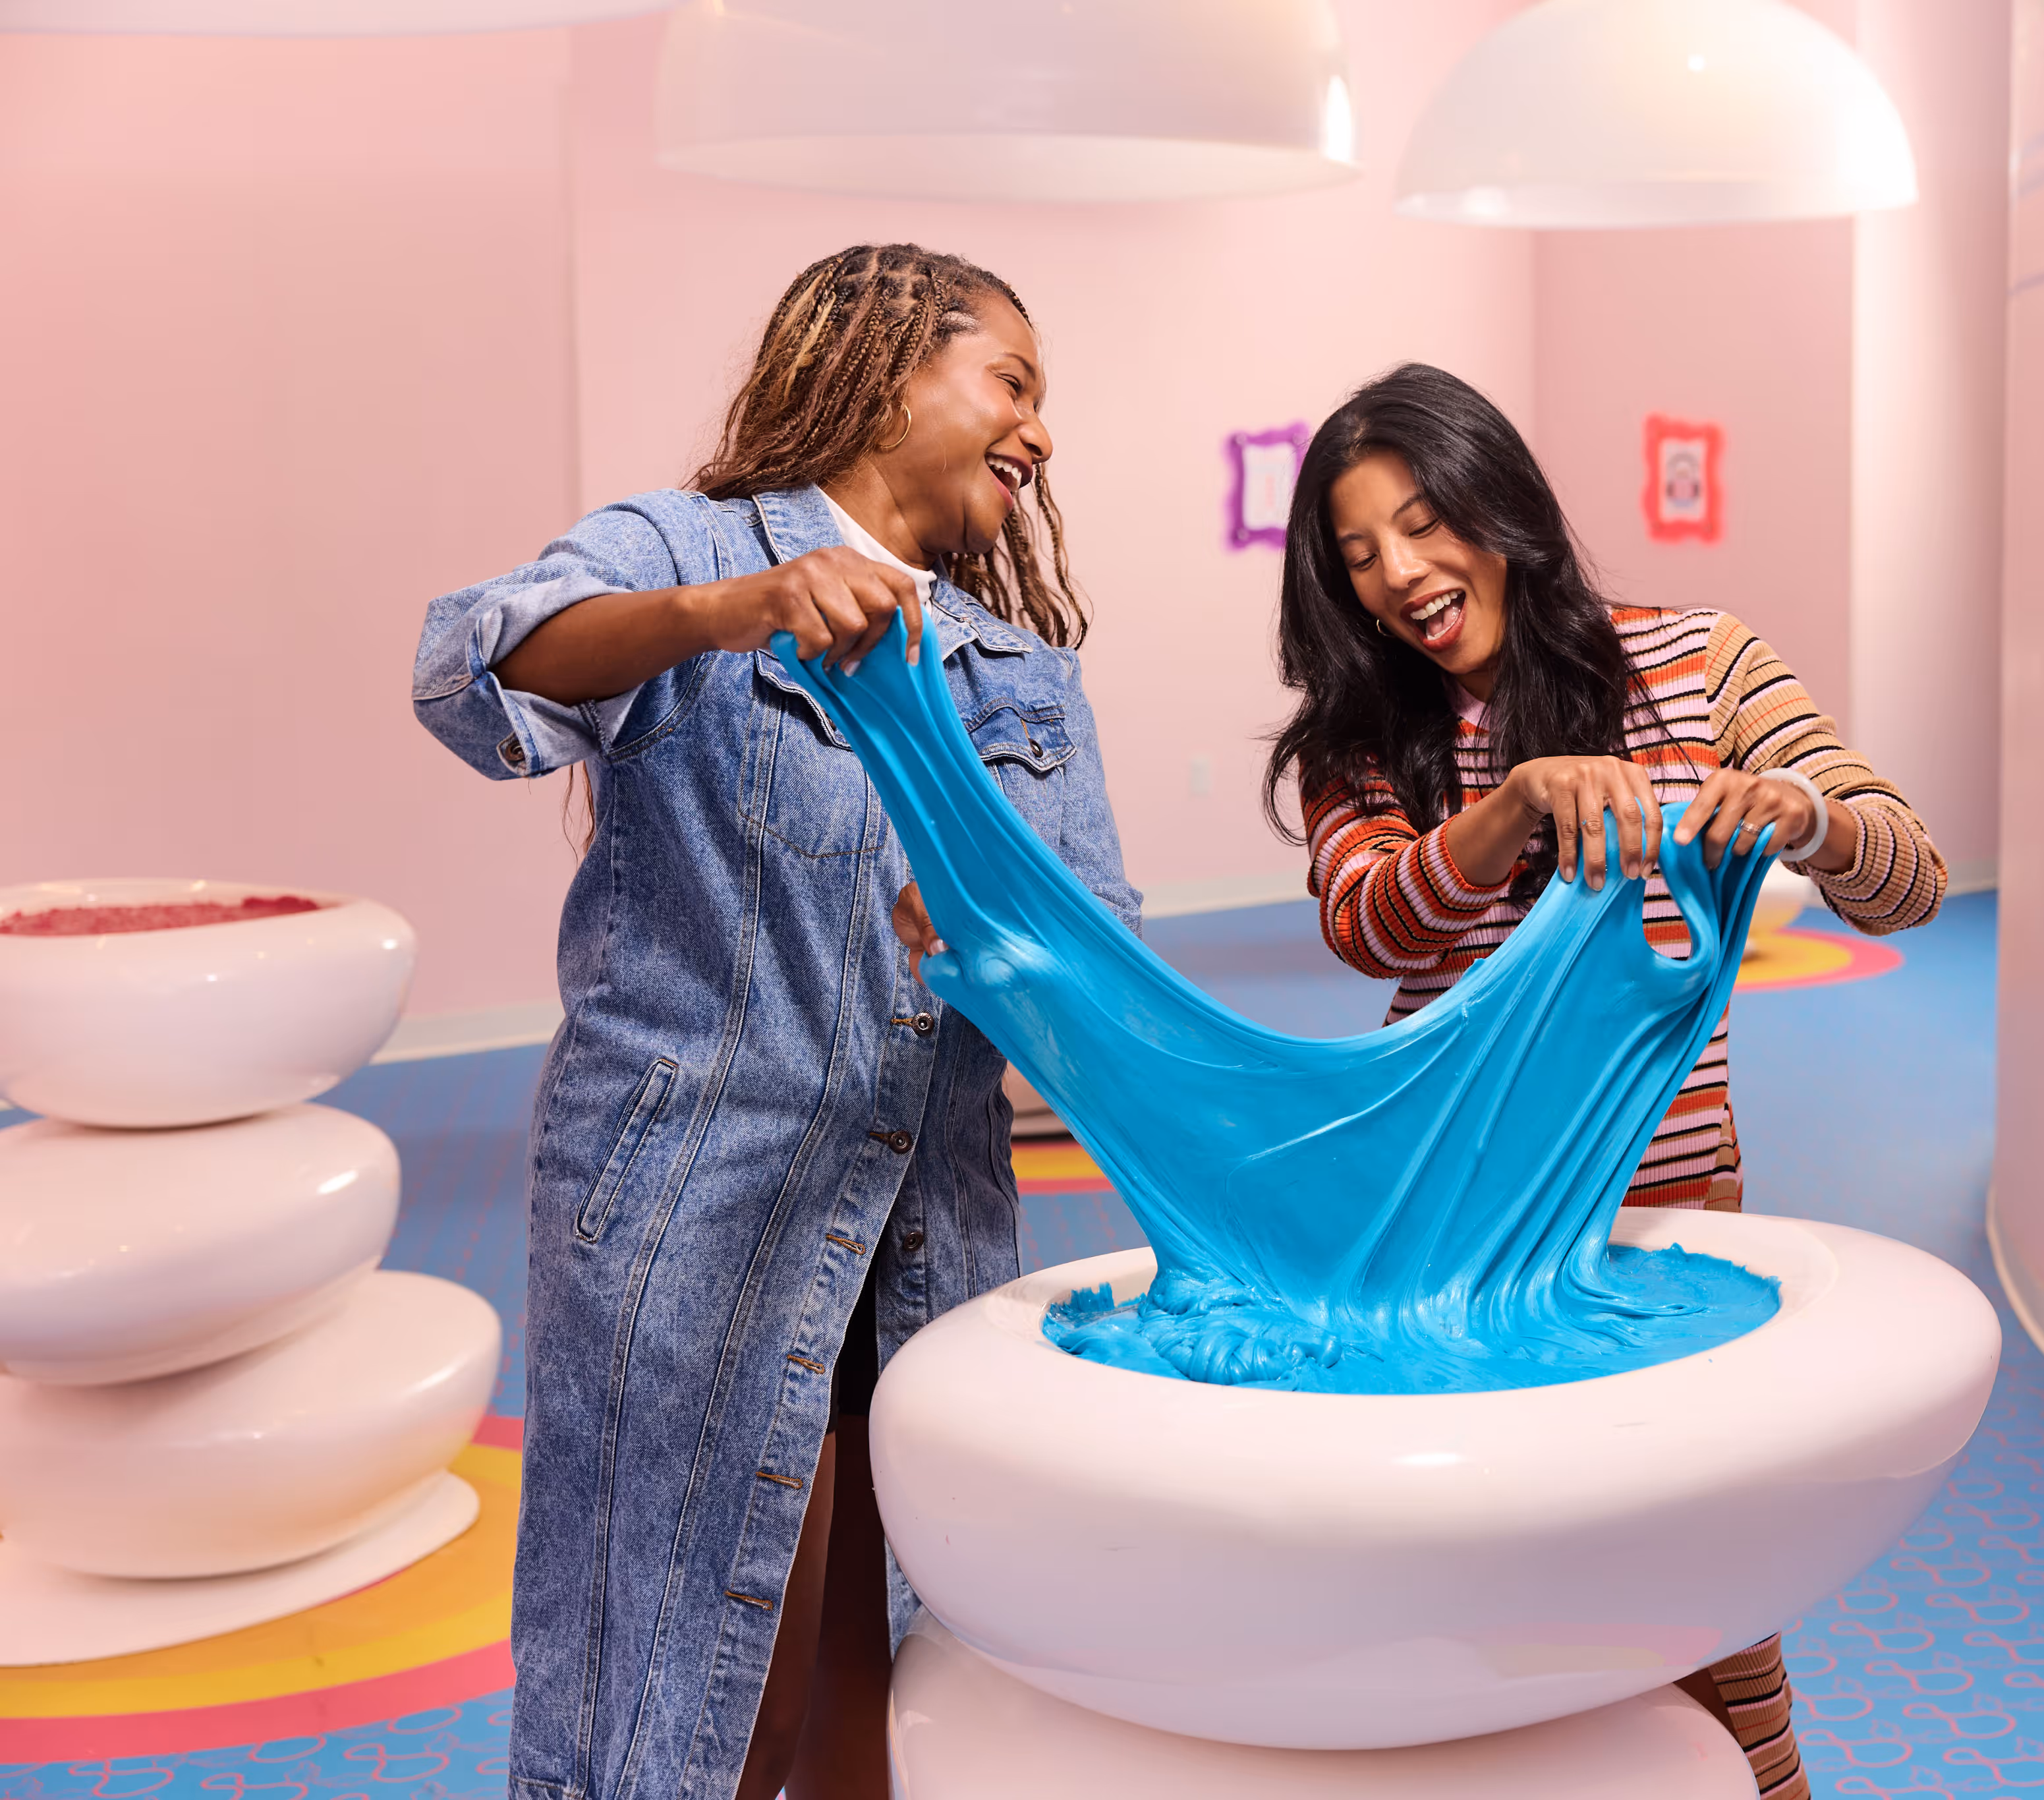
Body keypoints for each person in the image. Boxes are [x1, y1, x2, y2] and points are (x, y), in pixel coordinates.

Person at [410, 244, 1137, 1800]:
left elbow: (1107, 983)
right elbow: (472, 675)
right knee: (697, 1715)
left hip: (929, 1242)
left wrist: (1020, 944)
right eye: (1011, 381)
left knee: (883, 1711)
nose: (1042, 431)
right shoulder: (682, 549)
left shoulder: (1025, 674)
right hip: (696, 1227)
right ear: (885, 372)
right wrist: (731, 607)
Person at [1265, 363, 1946, 1797]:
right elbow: (1369, 922)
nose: (1399, 574)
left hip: (1676, 1220)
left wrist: (1810, 816)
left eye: (1422, 521)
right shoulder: (1357, 739)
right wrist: (1510, 808)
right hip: (1451, 1238)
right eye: (1357, 554)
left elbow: (1910, 879)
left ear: (1496, 502)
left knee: (1709, 1600)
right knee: (1489, 1615)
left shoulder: (1702, 662)